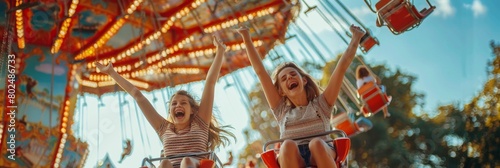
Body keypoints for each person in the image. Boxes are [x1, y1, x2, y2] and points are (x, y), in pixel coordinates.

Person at [95, 36, 235, 168]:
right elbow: (138, 96)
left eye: (183, 103)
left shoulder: (200, 123)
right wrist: (112, 73)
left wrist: (220, 52)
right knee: (164, 164)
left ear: (192, 110)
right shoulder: (164, 128)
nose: (178, 105)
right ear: (170, 111)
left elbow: (210, 83)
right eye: (174, 104)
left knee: (186, 161)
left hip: (193, 166)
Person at [237, 24, 365, 168]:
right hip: (293, 158)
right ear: (281, 91)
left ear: (303, 80)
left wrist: (356, 38)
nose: (289, 78)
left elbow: (341, 68)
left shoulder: (321, 105)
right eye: (284, 79)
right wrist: (246, 39)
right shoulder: (281, 111)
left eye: (293, 74)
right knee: (287, 146)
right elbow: (261, 72)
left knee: (316, 143)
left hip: (321, 153)